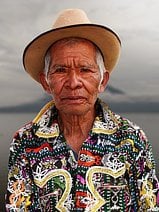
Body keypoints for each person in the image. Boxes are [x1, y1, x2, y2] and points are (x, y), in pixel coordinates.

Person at [5, 8, 159, 211]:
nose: (73, 82)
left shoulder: (132, 139)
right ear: (46, 81)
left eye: (85, 70)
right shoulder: (25, 142)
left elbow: (150, 206)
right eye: (60, 70)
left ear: (102, 81)